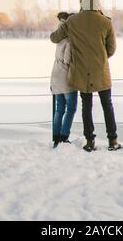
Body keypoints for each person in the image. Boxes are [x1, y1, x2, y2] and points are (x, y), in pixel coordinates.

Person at [50, 0, 122, 152]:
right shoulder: (106, 22)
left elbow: (54, 38)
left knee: (86, 106)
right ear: (98, 2)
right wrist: (100, 58)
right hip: (101, 71)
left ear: (82, 2)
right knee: (107, 104)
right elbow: (111, 49)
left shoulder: (73, 21)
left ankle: (90, 141)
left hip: (81, 71)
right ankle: (113, 140)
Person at [50, 11, 78, 148]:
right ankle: (64, 136)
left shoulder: (59, 37)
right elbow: (68, 60)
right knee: (71, 108)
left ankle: (56, 137)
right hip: (66, 77)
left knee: (59, 109)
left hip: (55, 75)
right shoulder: (70, 39)